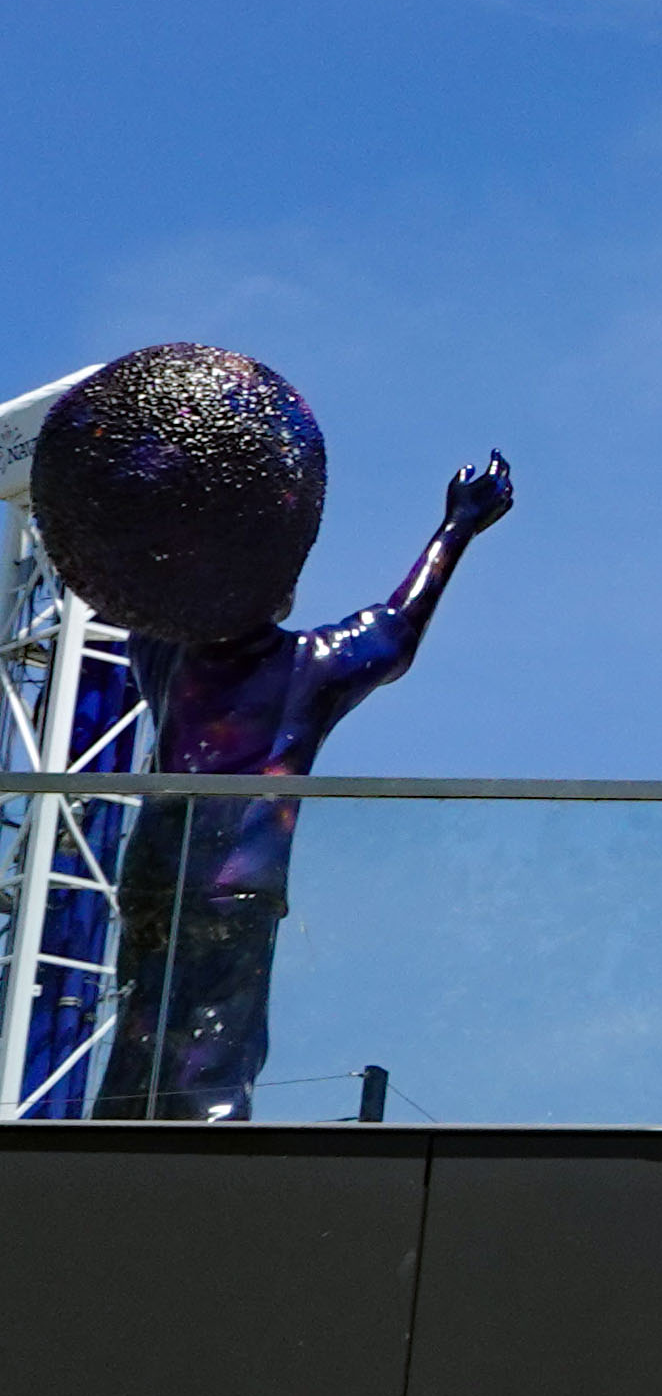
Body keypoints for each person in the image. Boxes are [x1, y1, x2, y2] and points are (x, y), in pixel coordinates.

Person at [97, 454, 516, 1122]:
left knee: (145, 1022)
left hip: (154, 870)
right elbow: (398, 625)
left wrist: (143, 505)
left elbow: (137, 592)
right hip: (233, 879)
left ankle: (115, 1145)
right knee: (213, 1036)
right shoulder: (305, 669)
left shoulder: (166, 655)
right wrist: (456, 529)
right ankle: (194, 1155)